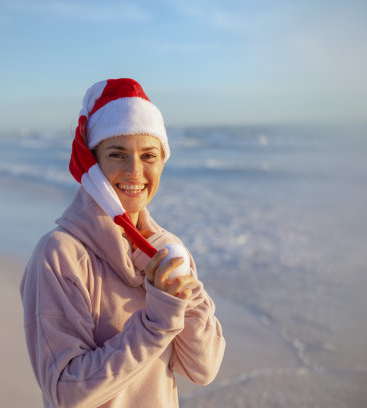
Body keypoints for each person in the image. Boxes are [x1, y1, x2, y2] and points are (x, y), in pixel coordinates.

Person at [20, 78, 225, 408]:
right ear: (94, 163)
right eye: (117, 154)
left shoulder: (167, 250)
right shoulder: (59, 254)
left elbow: (204, 368)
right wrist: (157, 322)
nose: (135, 171)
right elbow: (66, 392)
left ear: (162, 162)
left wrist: (186, 293)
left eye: (149, 155)